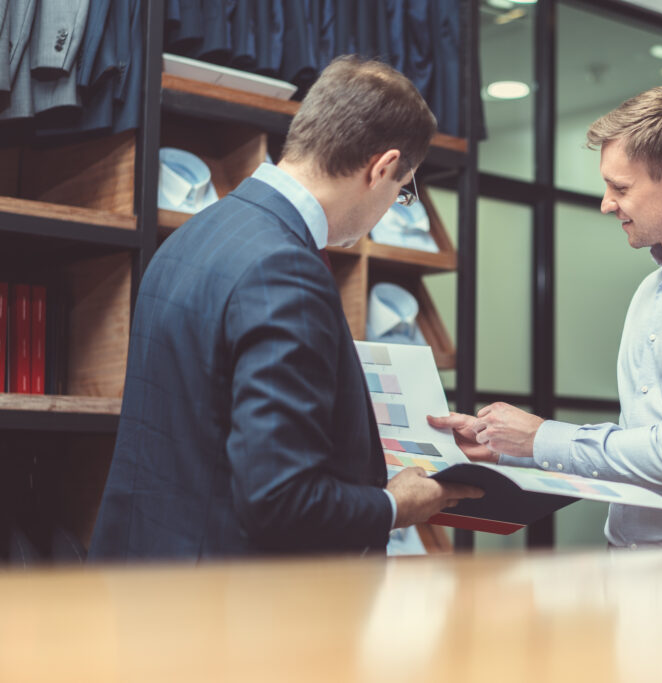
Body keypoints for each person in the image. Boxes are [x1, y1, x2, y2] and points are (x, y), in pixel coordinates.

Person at [90, 56, 481, 561]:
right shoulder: (286, 270)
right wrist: (392, 506)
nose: (393, 204)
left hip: (153, 572)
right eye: (402, 191)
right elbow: (280, 498)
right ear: (382, 167)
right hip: (231, 606)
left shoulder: (194, 234)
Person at [429, 85, 662, 549]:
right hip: (628, 548)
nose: (606, 203)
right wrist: (504, 448)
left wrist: (538, 437)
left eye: (621, 187)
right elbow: (638, 446)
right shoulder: (651, 288)